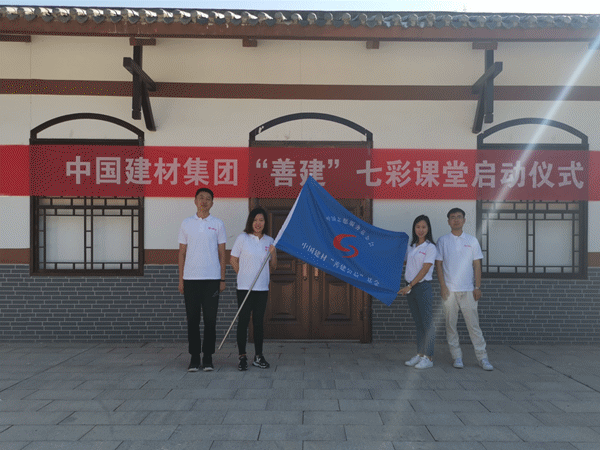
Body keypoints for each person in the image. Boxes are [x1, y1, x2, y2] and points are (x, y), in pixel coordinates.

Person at [435, 207, 494, 371]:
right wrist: (443, 286)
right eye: (453, 217)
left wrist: (477, 286)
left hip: (468, 289)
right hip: (449, 291)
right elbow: (438, 265)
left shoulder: (472, 240)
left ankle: (482, 358)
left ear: (464, 220)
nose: (456, 220)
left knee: (474, 326)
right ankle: (457, 357)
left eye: (459, 217)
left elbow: (477, 265)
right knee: (450, 325)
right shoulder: (442, 241)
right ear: (448, 221)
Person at [178, 188, 227, 372]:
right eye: (201, 198)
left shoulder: (218, 224)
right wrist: (181, 280)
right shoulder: (186, 223)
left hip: (212, 279)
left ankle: (207, 357)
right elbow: (182, 253)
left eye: (208, 199)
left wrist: (222, 279)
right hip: (190, 279)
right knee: (192, 320)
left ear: (212, 203)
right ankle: (194, 357)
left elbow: (222, 253)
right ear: (195, 201)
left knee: (210, 320)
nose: (204, 201)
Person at [230, 207, 277, 371]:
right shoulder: (242, 238)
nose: (258, 223)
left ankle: (258, 356)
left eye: (261, 220)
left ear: (265, 223)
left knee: (258, 322)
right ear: (251, 221)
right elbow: (233, 259)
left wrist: (274, 253)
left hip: (262, 288)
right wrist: (243, 274)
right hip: (245, 288)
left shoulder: (270, 240)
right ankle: (242, 356)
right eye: (255, 220)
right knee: (243, 321)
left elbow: (273, 266)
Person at [399, 215, 437, 370]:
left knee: (427, 323)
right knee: (419, 323)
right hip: (410, 288)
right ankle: (420, 354)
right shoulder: (411, 247)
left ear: (428, 229)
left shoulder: (430, 247)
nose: (421, 230)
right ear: (414, 228)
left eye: (424, 227)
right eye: (418, 227)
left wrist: (410, 285)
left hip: (422, 287)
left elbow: (425, 269)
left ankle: (429, 357)